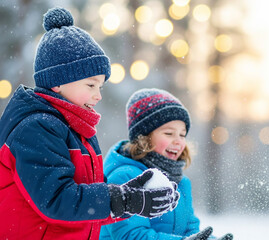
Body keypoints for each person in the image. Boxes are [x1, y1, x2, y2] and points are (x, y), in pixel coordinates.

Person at [0, 7, 179, 239]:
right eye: (91, 85)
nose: (98, 95)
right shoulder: (36, 128)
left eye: (100, 87)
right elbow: (57, 201)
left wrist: (133, 194)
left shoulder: (77, 130)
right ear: (57, 82)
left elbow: (86, 206)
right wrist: (124, 200)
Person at [99, 88, 233, 240]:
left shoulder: (181, 182)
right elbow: (131, 235)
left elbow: (190, 230)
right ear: (144, 138)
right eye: (169, 133)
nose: (178, 141)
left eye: (182, 135)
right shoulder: (125, 177)